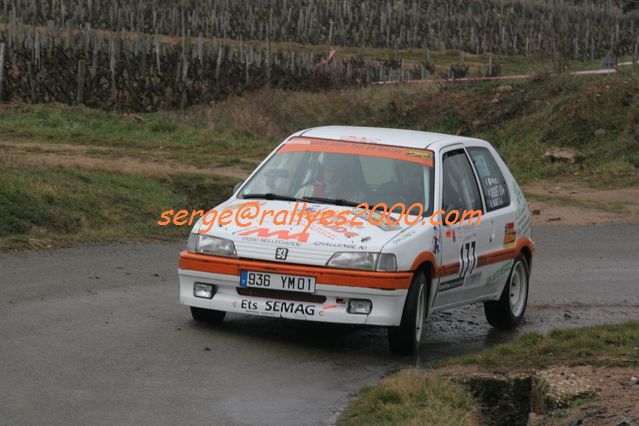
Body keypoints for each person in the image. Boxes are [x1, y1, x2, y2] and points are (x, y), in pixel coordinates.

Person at [295, 154, 366, 201]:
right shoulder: (306, 192)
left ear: (344, 173)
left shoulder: (356, 198)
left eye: (336, 171)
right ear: (322, 171)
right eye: (328, 170)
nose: (331, 176)